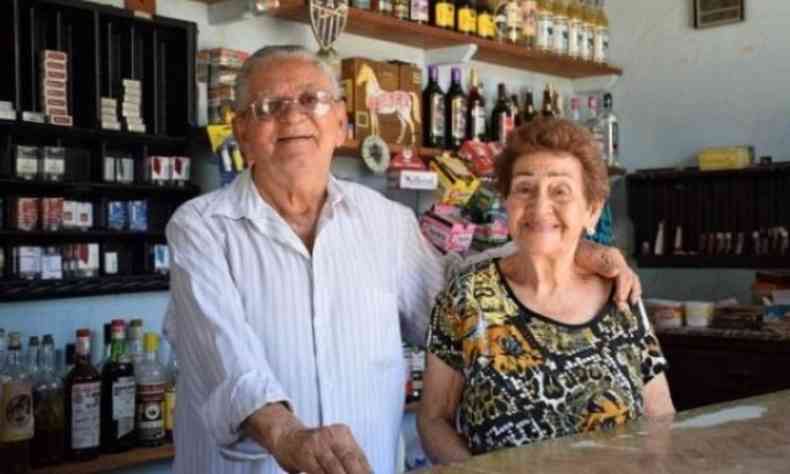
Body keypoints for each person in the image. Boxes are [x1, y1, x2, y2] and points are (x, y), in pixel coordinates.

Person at [164, 45, 642, 474]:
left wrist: (568, 246)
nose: (293, 117)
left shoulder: (385, 221)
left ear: (341, 124)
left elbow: (454, 300)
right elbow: (223, 351)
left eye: (313, 100)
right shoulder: (201, 227)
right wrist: (286, 434)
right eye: (268, 107)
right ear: (242, 132)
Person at [418, 118, 675, 464]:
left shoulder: (621, 296)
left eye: (560, 191)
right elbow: (434, 420)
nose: (540, 207)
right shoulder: (467, 297)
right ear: (507, 202)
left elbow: (660, 418)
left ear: (592, 211)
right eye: (524, 188)